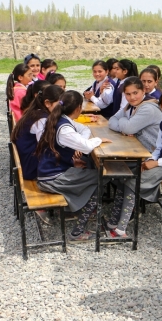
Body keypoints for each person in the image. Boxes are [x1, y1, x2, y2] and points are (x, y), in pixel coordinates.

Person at [35, 90, 112, 243]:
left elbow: (84, 130)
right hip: (52, 178)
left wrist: (78, 143)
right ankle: (77, 232)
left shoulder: (59, 118)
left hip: (49, 172)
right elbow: (87, 147)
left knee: (93, 172)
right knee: (103, 177)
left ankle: (79, 208)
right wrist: (96, 140)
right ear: (78, 108)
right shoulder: (64, 129)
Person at [105, 77, 162, 238]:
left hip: (154, 157)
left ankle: (120, 229)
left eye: (135, 93)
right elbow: (112, 121)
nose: (132, 97)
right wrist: (125, 124)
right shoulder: (130, 106)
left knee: (129, 178)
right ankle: (115, 219)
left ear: (143, 91)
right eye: (128, 94)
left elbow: (128, 126)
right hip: (139, 152)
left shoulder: (148, 108)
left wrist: (125, 124)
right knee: (119, 174)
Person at [11, 84, 63, 181]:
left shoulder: (35, 112)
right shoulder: (41, 119)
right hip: (31, 168)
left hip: (27, 161)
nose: (62, 107)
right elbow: (46, 147)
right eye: (60, 104)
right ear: (47, 103)